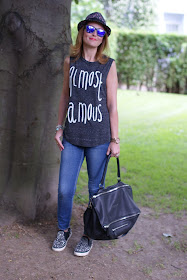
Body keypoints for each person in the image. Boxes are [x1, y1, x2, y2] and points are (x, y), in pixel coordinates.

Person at [52, 12, 120, 257]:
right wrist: (59, 128)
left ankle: (89, 234)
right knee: (64, 189)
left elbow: (112, 105)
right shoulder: (70, 62)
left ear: (104, 38)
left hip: (99, 140)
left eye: (100, 31)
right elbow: (64, 96)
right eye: (90, 29)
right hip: (72, 137)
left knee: (95, 191)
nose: (94, 34)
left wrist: (115, 140)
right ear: (82, 33)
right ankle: (63, 230)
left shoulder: (108, 65)